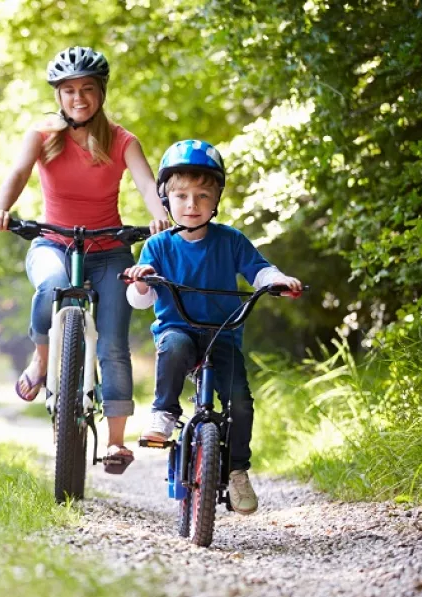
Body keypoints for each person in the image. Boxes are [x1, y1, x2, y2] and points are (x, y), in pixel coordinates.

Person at [0, 46, 170, 474]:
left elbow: (146, 183)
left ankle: (116, 443)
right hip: (53, 243)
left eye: (87, 89)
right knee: (50, 285)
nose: (78, 98)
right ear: (58, 96)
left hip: (109, 252)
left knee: (112, 345)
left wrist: (159, 212)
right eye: (68, 91)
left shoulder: (123, 140)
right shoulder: (43, 135)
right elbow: (16, 173)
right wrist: (2, 206)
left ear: (101, 93)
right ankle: (42, 356)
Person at [124, 139, 302, 514]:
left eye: (203, 196)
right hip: (180, 329)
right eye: (182, 196)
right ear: (166, 199)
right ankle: (164, 412)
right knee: (172, 348)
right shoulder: (157, 246)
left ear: (217, 198)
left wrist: (278, 280)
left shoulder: (231, 240)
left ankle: (237, 470)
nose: (192, 205)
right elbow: (140, 300)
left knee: (240, 401)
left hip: (223, 333)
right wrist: (143, 279)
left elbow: (259, 269)